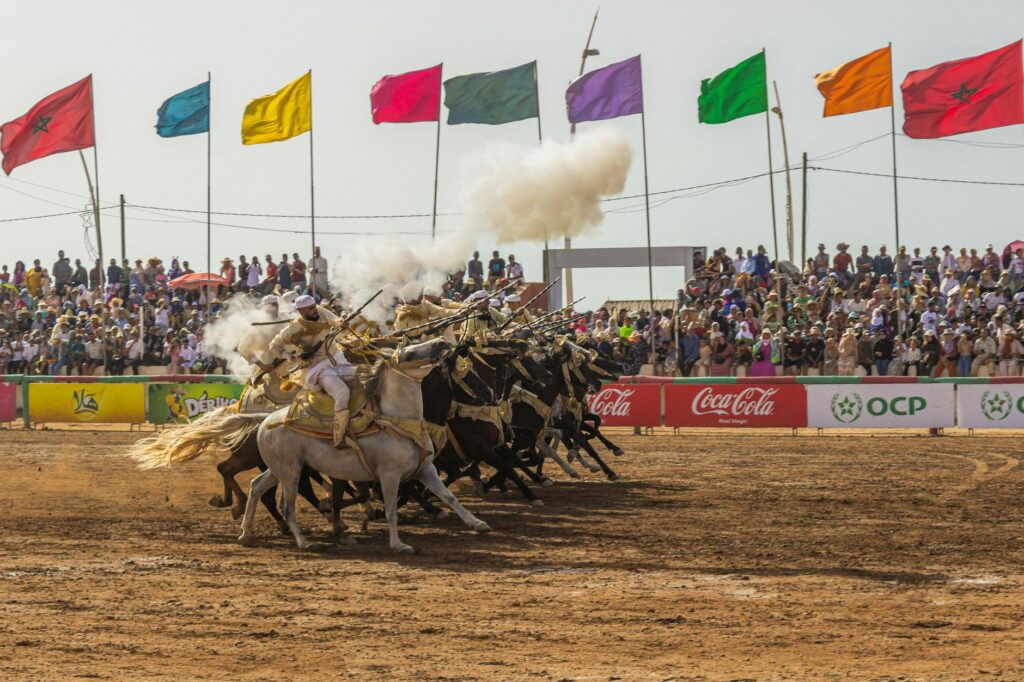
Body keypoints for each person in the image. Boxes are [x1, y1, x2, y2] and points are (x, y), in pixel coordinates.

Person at [265, 294, 353, 448]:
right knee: (342, 392)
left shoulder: (322, 312)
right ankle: (339, 435)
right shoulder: (293, 328)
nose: (314, 311)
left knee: (365, 376)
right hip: (319, 368)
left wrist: (344, 323)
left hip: (338, 360)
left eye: (314, 307)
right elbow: (274, 345)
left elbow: (339, 324)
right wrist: (292, 358)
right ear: (301, 311)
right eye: (310, 309)